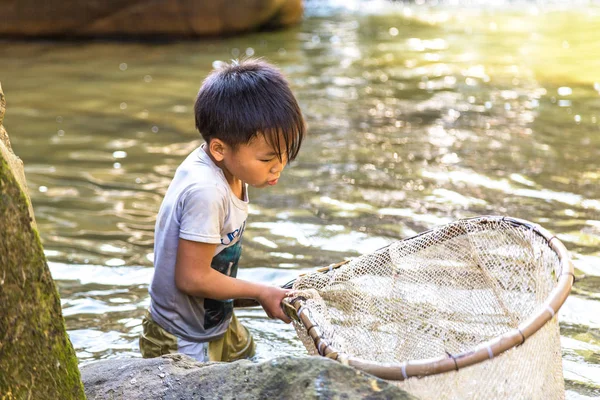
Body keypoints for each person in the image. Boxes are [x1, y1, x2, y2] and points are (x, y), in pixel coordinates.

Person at [140, 59, 306, 362]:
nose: (279, 165)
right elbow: (191, 278)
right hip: (183, 335)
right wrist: (260, 292)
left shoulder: (232, 166)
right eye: (268, 158)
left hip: (216, 318)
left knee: (250, 364)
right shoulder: (206, 191)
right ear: (219, 149)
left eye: (284, 153)